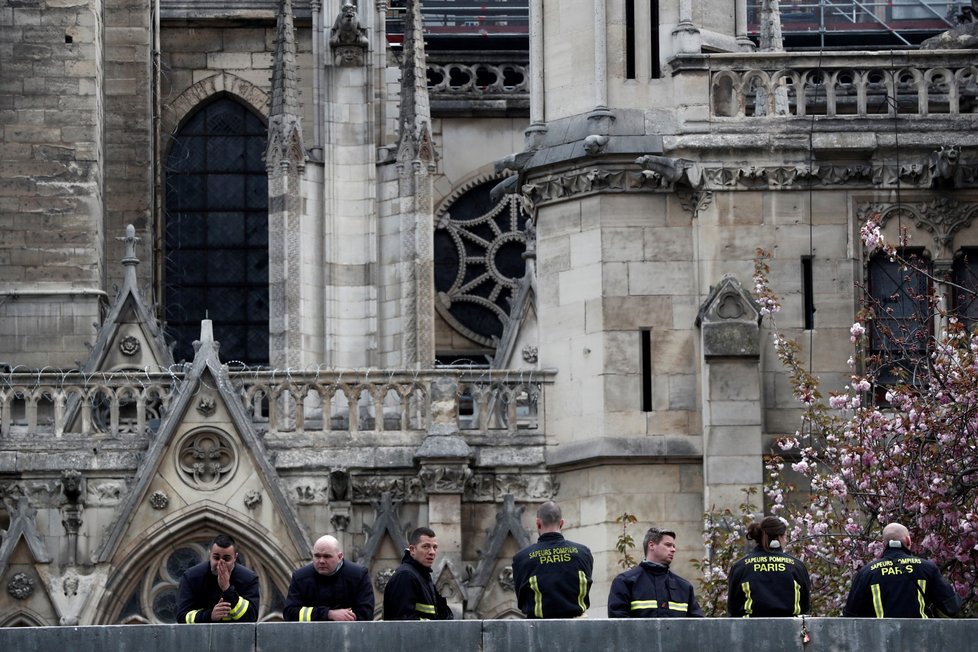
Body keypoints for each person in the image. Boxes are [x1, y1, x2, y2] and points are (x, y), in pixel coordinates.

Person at [843, 522, 961, 618]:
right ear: (908, 541)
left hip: (882, 642)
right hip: (922, 640)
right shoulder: (927, 568)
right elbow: (952, 607)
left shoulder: (866, 572)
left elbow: (850, 614)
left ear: (884, 545)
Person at [512, 501, 593, 619]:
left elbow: (521, 599)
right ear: (561, 523)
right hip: (577, 629)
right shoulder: (583, 553)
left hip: (537, 631)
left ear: (538, 523)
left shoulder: (522, 558)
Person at [608, 526, 703, 618]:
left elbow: (697, 627)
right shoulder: (625, 582)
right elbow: (619, 627)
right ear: (651, 545)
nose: (673, 549)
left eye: (674, 546)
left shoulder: (684, 587)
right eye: (668, 545)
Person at [727, 516, 811, 617]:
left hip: (749, 630)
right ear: (779, 537)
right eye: (785, 536)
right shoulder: (797, 566)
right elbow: (805, 606)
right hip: (791, 630)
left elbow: (733, 608)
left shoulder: (741, 567)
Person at [284, 534, 375, 622]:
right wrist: (328, 614)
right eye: (317, 556)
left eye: (327, 556)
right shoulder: (300, 577)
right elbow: (290, 613)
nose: (321, 561)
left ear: (340, 557)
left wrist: (343, 617)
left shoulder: (358, 575)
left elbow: (366, 614)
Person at [177, 533, 260, 623]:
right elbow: (182, 618)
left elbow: (252, 617)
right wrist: (209, 615)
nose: (221, 563)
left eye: (226, 558)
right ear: (210, 554)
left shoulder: (248, 579)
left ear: (235, 557)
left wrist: (227, 589)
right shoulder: (192, 577)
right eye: (216, 558)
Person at [383, 527, 453, 620]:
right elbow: (404, 623)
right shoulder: (405, 576)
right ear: (412, 550)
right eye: (426, 546)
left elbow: (443, 613)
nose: (432, 552)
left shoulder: (423, 576)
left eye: (434, 547)